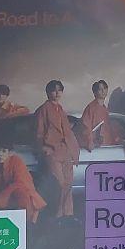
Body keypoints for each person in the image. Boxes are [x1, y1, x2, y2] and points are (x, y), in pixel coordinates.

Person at [34, 79, 80, 217]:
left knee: (68, 184)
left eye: (59, 90)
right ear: (48, 93)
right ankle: (57, 215)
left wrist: (72, 151)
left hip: (65, 151)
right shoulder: (43, 109)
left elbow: (68, 132)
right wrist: (44, 148)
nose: (57, 93)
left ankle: (68, 214)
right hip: (52, 151)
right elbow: (39, 132)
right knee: (59, 184)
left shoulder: (61, 109)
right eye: (54, 90)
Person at [0, 145, 46, 224]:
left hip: (24, 203)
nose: (0, 154)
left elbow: (19, 183)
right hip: (6, 209)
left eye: (4, 151)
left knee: (20, 193)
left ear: (9, 152)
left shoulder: (16, 161)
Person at [81, 80, 119, 150]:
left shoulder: (105, 109)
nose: (103, 91)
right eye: (100, 89)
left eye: (104, 88)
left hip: (107, 146)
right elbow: (85, 127)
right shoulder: (90, 108)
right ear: (95, 92)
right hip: (96, 148)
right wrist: (90, 142)